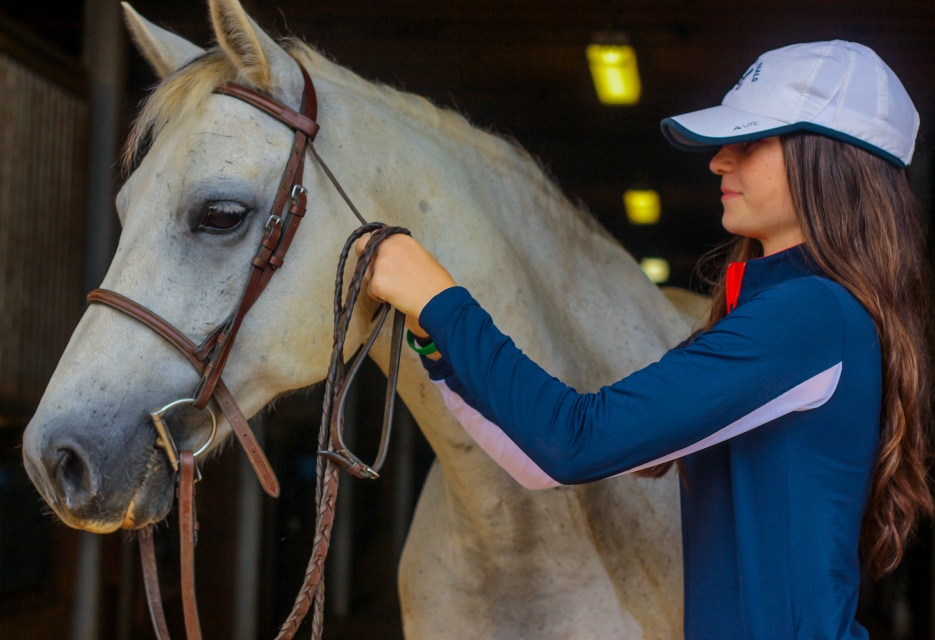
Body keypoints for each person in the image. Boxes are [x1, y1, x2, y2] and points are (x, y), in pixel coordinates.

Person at [359, 41, 933, 639]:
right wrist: (438, 348)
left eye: (752, 141)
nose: (718, 161)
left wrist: (443, 301)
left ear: (829, 160)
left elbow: (576, 439)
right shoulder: (770, 314)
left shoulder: (812, 315)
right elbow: (543, 463)